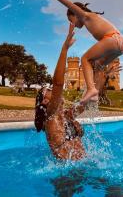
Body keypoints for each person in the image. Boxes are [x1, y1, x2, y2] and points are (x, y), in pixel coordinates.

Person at [42, 0, 123, 105]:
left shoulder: (85, 17)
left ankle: (91, 90)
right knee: (98, 65)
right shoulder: (93, 18)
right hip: (122, 45)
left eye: (71, 20)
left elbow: (70, 5)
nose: (73, 24)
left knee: (85, 58)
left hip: (112, 39)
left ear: (75, 14)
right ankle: (95, 93)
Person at [35, 23, 86, 160]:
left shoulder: (66, 116)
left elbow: (88, 100)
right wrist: (64, 49)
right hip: (68, 177)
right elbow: (58, 83)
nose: (53, 90)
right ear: (45, 101)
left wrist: (101, 72)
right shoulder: (50, 115)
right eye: (49, 90)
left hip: (82, 169)